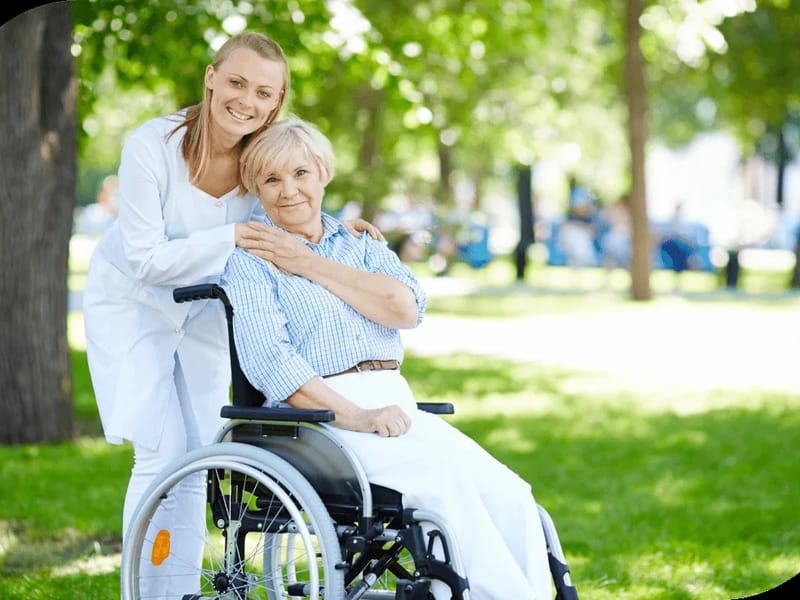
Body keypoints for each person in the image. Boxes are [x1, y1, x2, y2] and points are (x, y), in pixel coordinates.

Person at [82, 32, 379, 596]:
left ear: (279, 98)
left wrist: (344, 231)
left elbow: (293, 201)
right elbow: (146, 261)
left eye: (265, 92)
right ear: (211, 78)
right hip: (133, 305)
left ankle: (176, 590)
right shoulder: (152, 146)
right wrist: (233, 235)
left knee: (201, 457)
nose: (248, 100)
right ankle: (141, 591)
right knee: (159, 453)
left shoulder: (261, 154)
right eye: (237, 82)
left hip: (204, 309)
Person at [220, 116, 553, 599]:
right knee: (447, 488)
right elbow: (271, 362)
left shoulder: (362, 244)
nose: (289, 191)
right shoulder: (250, 262)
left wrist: (307, 263)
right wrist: (356, 415)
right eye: (271, 179)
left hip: (395, 403)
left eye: (300, 174)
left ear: (323, 174)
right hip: (321, 418)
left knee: (511, 494)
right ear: (256, 187)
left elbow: (405, 309)